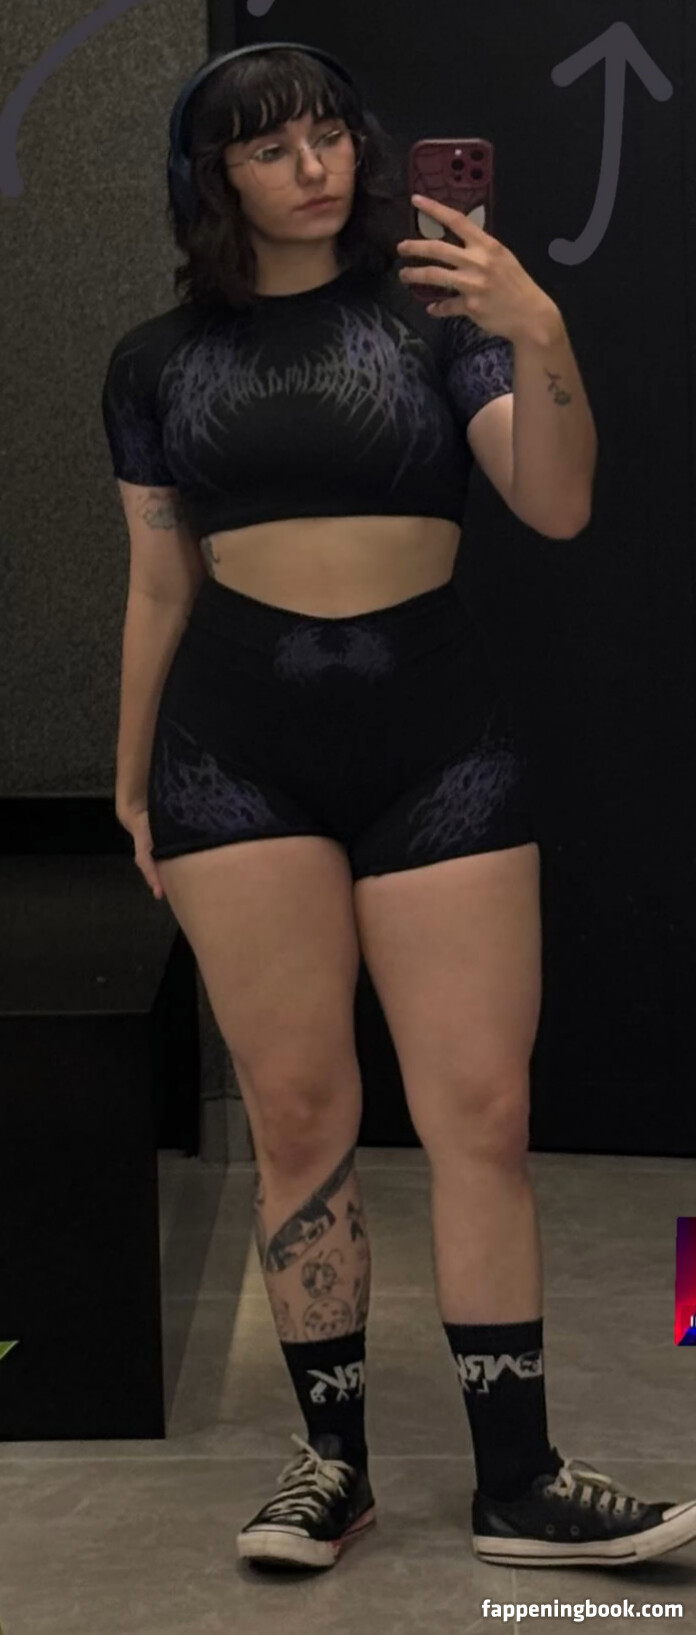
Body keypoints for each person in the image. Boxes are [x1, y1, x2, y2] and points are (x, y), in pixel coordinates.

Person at [101, 44, 696, 1576]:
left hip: (439, 752)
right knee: (299, 1115)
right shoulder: (154, 362)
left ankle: (520, 1480)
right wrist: (130, 771)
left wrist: (538, 326)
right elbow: (159, 582)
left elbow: (557, 502)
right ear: (214, 179)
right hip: (234, 758)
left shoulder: (441, 317)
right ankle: (333, 1468)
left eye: (329, 134)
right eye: (270, 146)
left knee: (483, 1113)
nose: (315, 166)